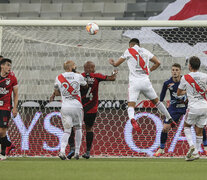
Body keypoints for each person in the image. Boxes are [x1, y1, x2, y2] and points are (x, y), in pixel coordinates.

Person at [108, 38, 174, 134]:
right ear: (139, 44)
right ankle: (169, 118)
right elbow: (158, 62)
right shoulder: (145, 51)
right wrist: (149, 70)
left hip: (134, 82)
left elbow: (116, 64)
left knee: (131, 105)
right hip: (145, 81)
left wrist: (113, 63)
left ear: (130, 45)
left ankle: (132, 119)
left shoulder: (129, 51)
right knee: (157, 102)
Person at [66, 61, 117, 159]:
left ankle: (72, 148)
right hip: (92, 108)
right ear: (93, 68)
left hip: (79, 107)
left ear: (84, 68)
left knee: (72, 127)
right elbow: (112, 78)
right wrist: (114, 73)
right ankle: (88, 152)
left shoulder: (79, 76)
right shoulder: (96, 76)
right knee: (89, 129)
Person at [53, 60, 87, 160]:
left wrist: (65, 93)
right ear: (71, 67)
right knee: (78, 128)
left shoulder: (59, 77)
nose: (75, 66)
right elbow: (85, 85)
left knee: (67, 131)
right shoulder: (78, 76)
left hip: (65, 107)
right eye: (74, 65)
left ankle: (62, 151)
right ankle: (77, 152)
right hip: (77, 106)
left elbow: (56, 92)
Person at [154, 63, 187, 156]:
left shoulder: (186, 80)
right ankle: (161, 149)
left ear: (180, 71)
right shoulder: (167, 83)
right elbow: (161, 97)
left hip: (186, 106)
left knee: (198, 125)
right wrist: (161, 108)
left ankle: (205, 147)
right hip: (174, 108)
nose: (174, 72)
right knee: (165, 128)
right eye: (173, 70)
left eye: (176, 70)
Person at [177, 56, 207, 161]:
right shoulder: (205, 76)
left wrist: (188, 92)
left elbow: (179, 92)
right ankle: (197, 153)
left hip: (193, 107)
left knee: (186, 126)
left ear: (189, 66)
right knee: (199, 130)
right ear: (199, 66)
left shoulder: (185, 77)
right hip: (205, 106)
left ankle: (192, 147)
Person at [0, 58, 18, 160]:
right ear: (2, 66)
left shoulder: (12, 78)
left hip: (5, 107)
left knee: (2, 131)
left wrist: (14, 108)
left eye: (10, 66)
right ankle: (9, 144)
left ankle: (2, 154)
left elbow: (16, 94)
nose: (9, 67)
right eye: (7, 65)